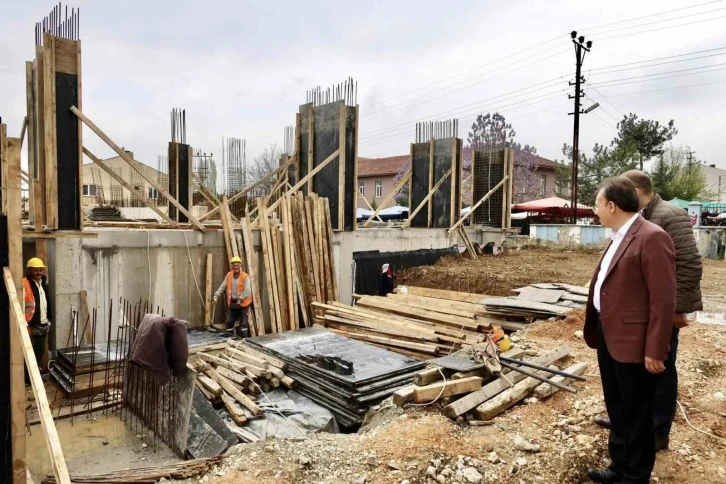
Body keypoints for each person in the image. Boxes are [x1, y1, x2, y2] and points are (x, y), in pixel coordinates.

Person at [592, 170, 703, 452]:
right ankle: (632, 424)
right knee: (634, 382)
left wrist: (678, 311)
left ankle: (657, 428)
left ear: (634, 192)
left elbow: (688, 264)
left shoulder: (669, 216)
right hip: (637, 314)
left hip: (661, 313)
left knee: (660, 371)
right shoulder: (628, 224)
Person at [584, 178, 676, 484]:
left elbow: (663, 300)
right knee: (617, 406)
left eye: (597, 205)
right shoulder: (617, 236)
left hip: (635, 343)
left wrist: (655, 348)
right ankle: (618, 465)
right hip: (609, 335)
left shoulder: (652, 237)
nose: (594, 211)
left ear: (612, 206)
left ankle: (635, 476)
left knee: (637, 412)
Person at [22, 257, 52, 372]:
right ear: (29, 271)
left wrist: (48, 318)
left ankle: (35, 372)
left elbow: (45, 302)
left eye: (40, 270)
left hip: (42, 324)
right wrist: (25, 323)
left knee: (39, 350)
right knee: (31, 352)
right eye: (36, 270)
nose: (39, 272)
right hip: (30, 324)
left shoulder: (42, 282)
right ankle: (28, 376)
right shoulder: (24, 283)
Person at [213, 256, 252, 337]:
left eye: (238, 265)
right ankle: (230, 339)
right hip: (233, 303)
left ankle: (243, 341)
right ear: (232, 266)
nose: (236, 267)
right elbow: (223, 287)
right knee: (229, 322)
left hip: (244, 303)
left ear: (240, 266)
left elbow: (248, 290)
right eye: (234, 266)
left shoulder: (245, 276)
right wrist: (216, 296)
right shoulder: (229, 275)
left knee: (243, 323)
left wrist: (240, 299)